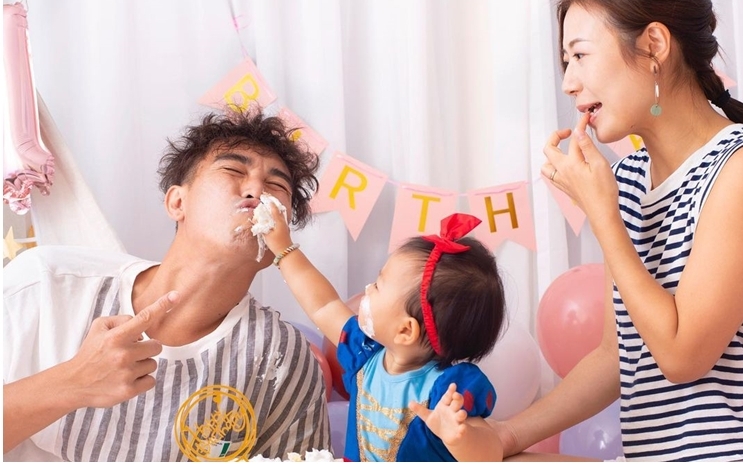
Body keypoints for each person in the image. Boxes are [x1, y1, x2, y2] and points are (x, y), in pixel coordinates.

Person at [3, 108, 331, 461]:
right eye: (234, 170)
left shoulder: (282, 356)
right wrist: (74, 381)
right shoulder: (46, 284)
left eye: (276, 186)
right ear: (177, 202)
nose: (256, 189)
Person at [495, 0, 743, 461]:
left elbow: (682, 356)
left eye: (581, 55)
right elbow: (616, 358)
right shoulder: (627, 179)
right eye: (566, 62)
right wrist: (504, 437)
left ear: (653, 45)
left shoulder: (736, 171)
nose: (569, 83)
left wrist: (601, 215)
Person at [258, 208, 507, 461]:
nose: (367, 289)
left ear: (405, 330)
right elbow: (324, 305)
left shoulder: (447, 390)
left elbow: (492, 452)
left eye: (377, 285)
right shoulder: (364, 353)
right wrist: (284, 248)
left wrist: (460, 437)